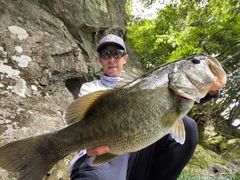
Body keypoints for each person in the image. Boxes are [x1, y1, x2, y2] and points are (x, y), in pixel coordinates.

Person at [69, 34, 221, 180]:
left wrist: (211, 90)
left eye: (117, 53)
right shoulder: (90, 88)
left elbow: (178, 99)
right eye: (105, 54)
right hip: (100, 153)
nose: (112, 59)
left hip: (136, 153)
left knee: (188, 127)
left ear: (125, 58)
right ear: (99, 60)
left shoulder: (145, 83)